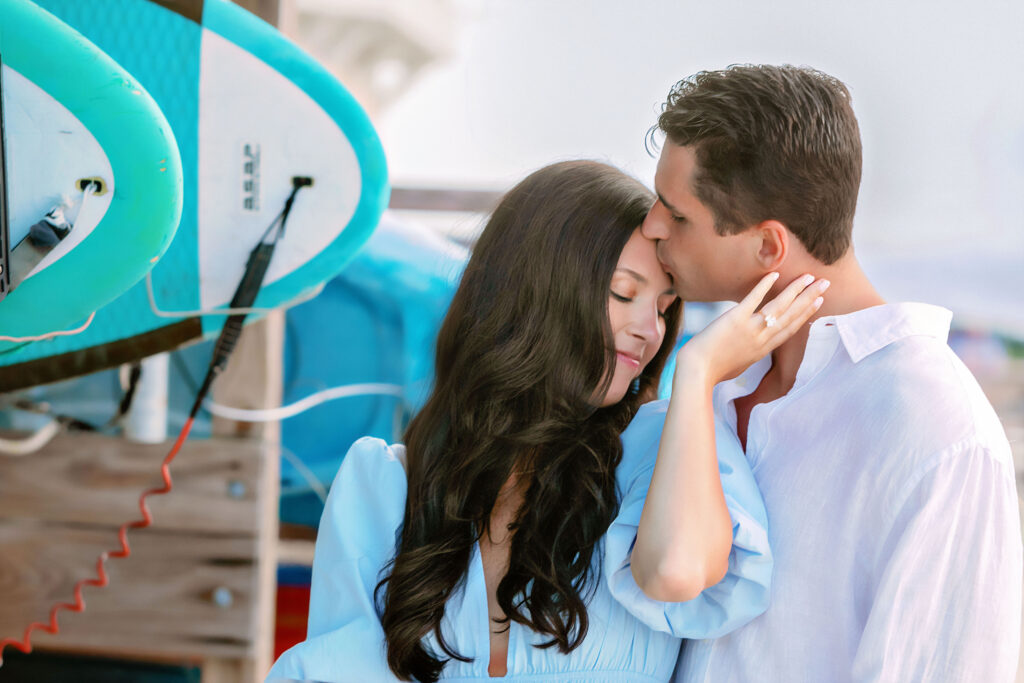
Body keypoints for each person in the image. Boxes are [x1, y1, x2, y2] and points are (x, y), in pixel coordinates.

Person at [266, 160, 825, 682]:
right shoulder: (387, 486)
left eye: (662, 307)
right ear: (537, 292)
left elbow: (676, 572)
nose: (648, 330)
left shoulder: (664, 449)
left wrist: (699, 371)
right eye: (622, 293)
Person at [638, 64, 1023, 682]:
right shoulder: (712, 381)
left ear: (769, 247)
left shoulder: (937, 429)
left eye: (677, 216)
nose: (652, 225)